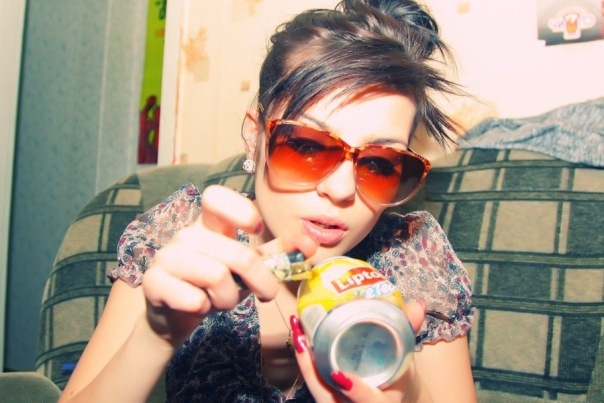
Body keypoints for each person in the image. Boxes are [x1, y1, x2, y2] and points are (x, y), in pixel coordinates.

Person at [59, 0, 476, 401]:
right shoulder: (183, 235)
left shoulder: (412, 257)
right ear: (255, 136)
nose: (341, 190)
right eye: (307, 146)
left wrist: (410, 396)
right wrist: (154, 336)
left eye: (380, 164)